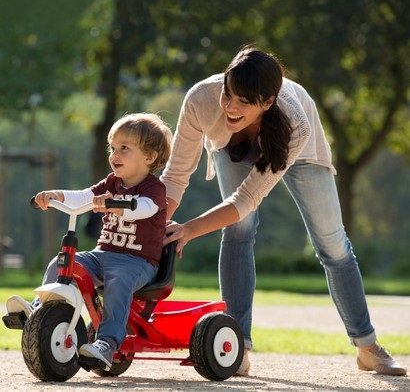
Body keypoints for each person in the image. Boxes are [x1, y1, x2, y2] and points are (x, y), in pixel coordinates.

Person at [161, 46, 407, 377]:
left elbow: (246, 198)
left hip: (298, 149)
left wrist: (190, 228)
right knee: (238, 230)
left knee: (332, 245)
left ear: (267, 101)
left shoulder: (295, 122)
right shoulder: (201, 100)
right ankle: (237, 347)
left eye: (244, 101)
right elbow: (175, 177)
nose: (231, 107)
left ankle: (367, 347)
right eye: (228, 95)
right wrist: (154, 224)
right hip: (233, 148)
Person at [6, 112, 173, 371]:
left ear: (149, 157)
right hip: (103, 255)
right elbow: (83, 196)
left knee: (119, 282)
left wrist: (118, 206)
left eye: (124, 149)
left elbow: (145, 208)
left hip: (137, 262)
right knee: (63, 263)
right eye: (113, 148)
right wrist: (56, 195)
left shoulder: (154, 189)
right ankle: (38, 310)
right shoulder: (112, 182)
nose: (114, 154)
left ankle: (107, 342)